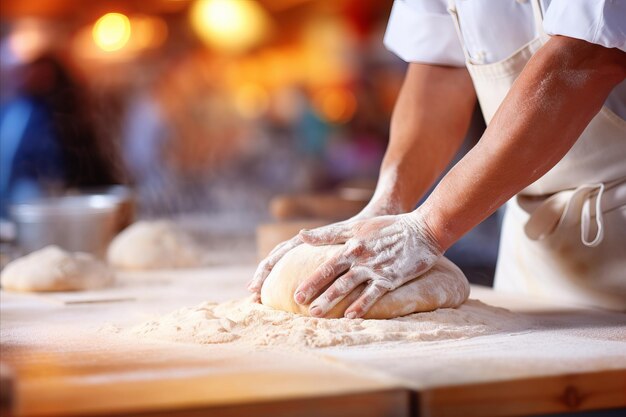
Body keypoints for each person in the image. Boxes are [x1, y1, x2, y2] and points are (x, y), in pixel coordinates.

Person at [250, 0, 626, 316]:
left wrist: (427, 229)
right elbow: (440, 68)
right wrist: (387, 204)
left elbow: (587, 59)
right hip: (534, 252)